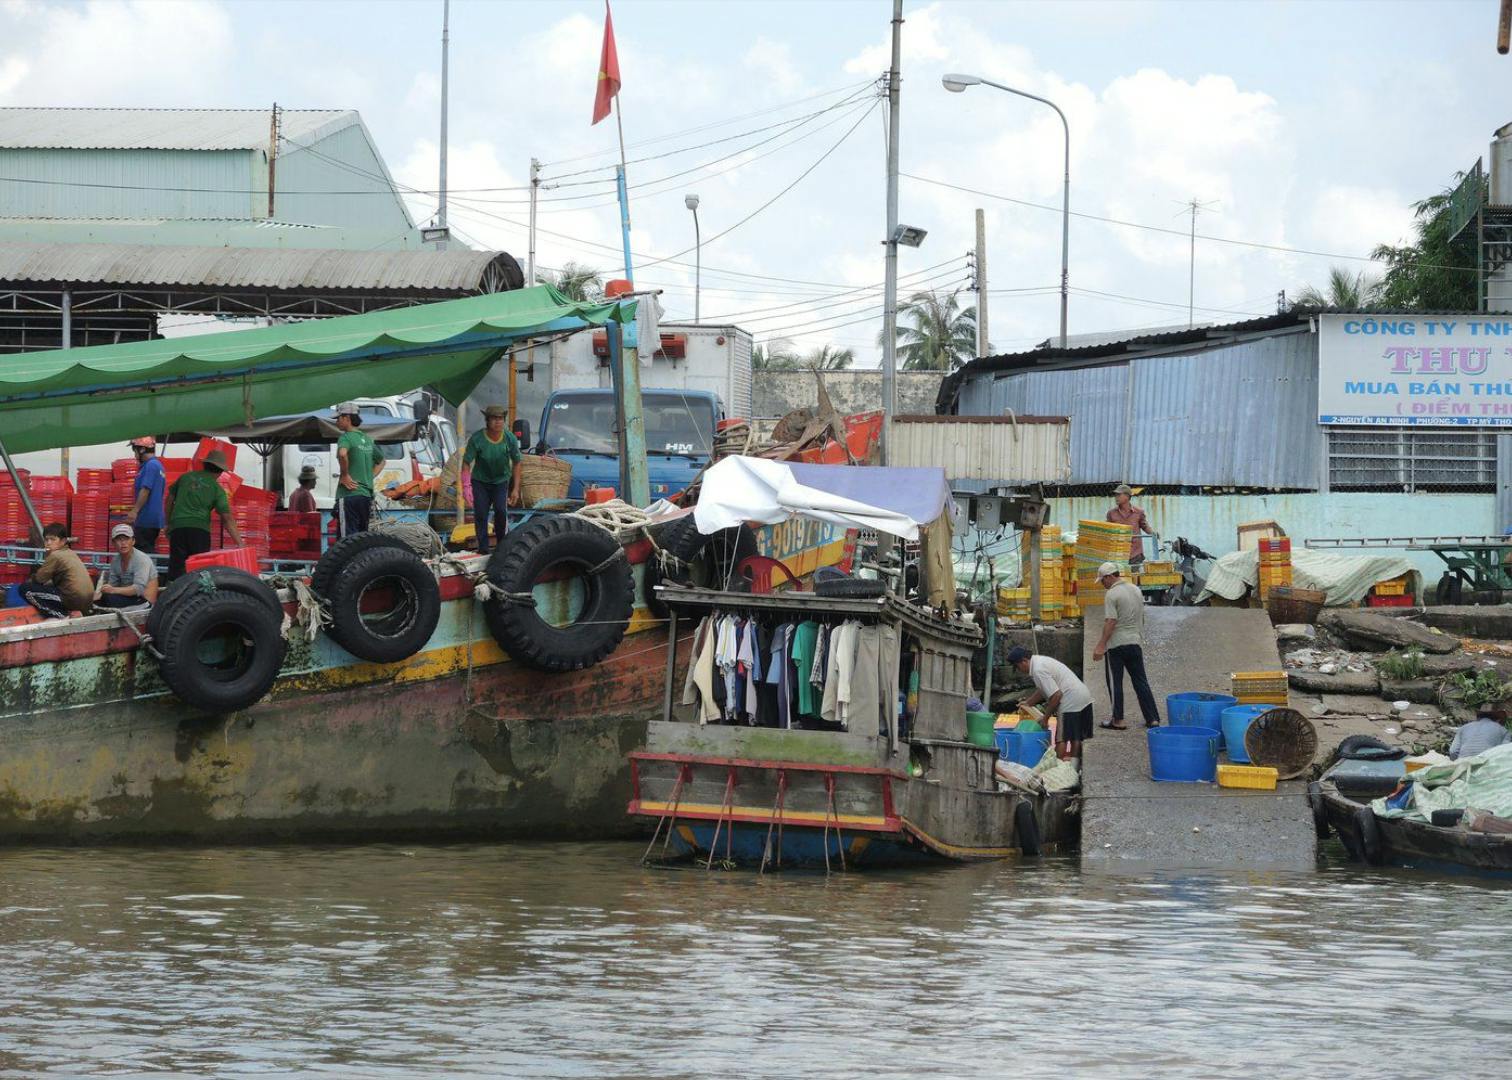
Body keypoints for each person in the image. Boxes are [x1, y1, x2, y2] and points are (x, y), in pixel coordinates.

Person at [1092, 561, 1162, 730]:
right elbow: (1141, 617)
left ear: (1109, 577)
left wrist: (1101, 645)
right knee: (1141, 681)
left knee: (1116, 682)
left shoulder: (1112, 594)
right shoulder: (1135, 590)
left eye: (1102, 580)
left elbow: (1111, 621)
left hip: (1116, 644)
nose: (1102, 584)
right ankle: (1152, 718)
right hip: (1134, 641)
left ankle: (1118, 719)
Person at [1007, 645, 1095, 761]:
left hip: (1070, 700)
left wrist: (1046, 718)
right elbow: (1044, 689)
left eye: (1018, 667)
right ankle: (1074, 766)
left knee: (1061, 738)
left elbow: (1056, 695)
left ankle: (1057, 768)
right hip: (1083, 696)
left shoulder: (1038, 670)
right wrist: (1028, 703)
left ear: (1024, 661)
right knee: (1076, 736)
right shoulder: (1039, 661)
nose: (1019, 671)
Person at [164, 448, 242, 579]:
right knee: (198, 571)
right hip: (199, 531)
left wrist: (168, 524)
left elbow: (169, 499)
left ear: (205, 464)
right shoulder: (218, 490)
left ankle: (175, 594)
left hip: (178, 527)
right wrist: (239, 543)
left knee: (177, 569)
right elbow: (227, 518)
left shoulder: (185, 477)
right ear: (220, 471)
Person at [463, 404, 522, 555]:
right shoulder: (477, 439)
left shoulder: (510, 438)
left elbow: (517, 462)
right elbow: (466, 462)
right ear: (487, 421)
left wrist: (515, 489)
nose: (498, 422)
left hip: (501, 481)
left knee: (501, 512)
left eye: (501, 419)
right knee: (481, 514)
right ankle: (483, 549)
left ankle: (501, 547)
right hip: (480, 481)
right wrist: (466, 485)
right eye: (494, 419)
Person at [20, 522, 94, 619]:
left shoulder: (55, 555)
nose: (49, 543)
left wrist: (30, 580)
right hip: (87, 601)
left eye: (53, 539)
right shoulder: (70, 553)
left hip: (73, 600)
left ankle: (62, 615)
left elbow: (39, 579)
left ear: (63, 541)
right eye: (46, 539)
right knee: (48, 586)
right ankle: (78, 612)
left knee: (25, 589)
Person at [334, 402, 384, 538]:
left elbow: (343, 454)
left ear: (347, 418)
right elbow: (382, 461)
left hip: (349, 495)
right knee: (360, 539)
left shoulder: (346, 437)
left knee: (347, 541)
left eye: (338, 418)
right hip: (366, 496)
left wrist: (344, 475)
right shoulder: (367, 439)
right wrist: (368, 476)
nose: (336, 422)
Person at [93, 523, 157, 609]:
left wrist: (113, 590)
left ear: (133, 541)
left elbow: (139, 589)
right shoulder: (116, 560)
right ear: (113, 543)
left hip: (144, 601)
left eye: (126, 539)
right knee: (96, 601)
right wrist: (102, 592)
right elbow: (113, 584)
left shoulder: (142, 559)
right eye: (119, 539)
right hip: (127, 598)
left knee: (107, 599)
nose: (123, 543)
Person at [124, 436, 166, 553]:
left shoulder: (151, 466)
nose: (134, 454)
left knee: (143, 553)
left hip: (146, 518)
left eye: (134, 450)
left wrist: (134, 511)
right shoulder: (156, 466)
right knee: (146, 551)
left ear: (142, 449)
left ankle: (163, 571)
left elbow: (145, 489)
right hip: (152, 518)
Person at [1107, 483, 1156, 566]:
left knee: (1134, 576)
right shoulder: (1111, 513)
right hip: (1119, 553)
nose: (1116, 497)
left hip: (1135, 553)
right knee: (1121, 577)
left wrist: (1153, 533)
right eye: (1115, 495)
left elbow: (1144, 525)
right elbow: (1108, 530)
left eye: (1119, 495)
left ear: (1127, 496)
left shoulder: (1139, 512)